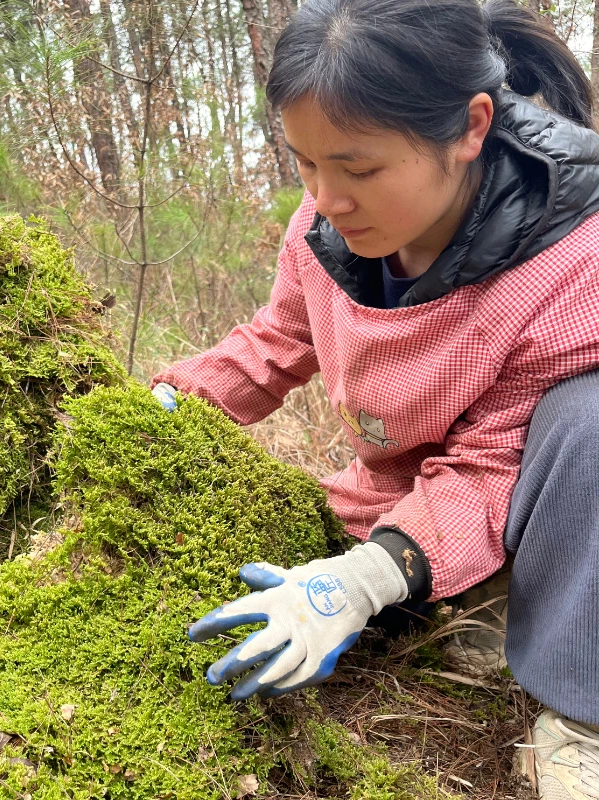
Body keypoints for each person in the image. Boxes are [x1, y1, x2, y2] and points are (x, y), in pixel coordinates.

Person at [151, 0, 599, 797]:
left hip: (537, 506)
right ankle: (439, 597)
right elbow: (281, 337)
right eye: (305, 164)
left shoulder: (571, 259)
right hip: (398, 506)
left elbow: (495, 463)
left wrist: (366, 578)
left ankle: (578, 711)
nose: (327, 198)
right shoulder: (327, 227)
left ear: (471, 128)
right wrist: (174, 399)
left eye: (358, 169)